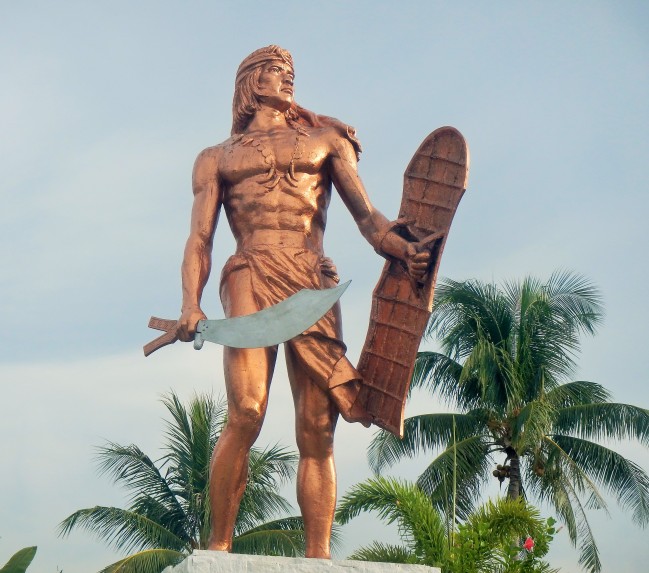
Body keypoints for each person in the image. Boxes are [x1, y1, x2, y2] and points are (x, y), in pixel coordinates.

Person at [176, 45, 430, 559]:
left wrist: (402, 249)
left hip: (311, 279)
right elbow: (200, 239)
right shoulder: (217, 157)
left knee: (317, 426)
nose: (286, 79)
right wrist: (190, 303)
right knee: (246, 410)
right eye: (274, 71)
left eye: (290, 72)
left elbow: (367, 218)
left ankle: (318, 557)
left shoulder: (325, 141)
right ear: (250, 83)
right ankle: (217, 548)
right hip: (249, 270)